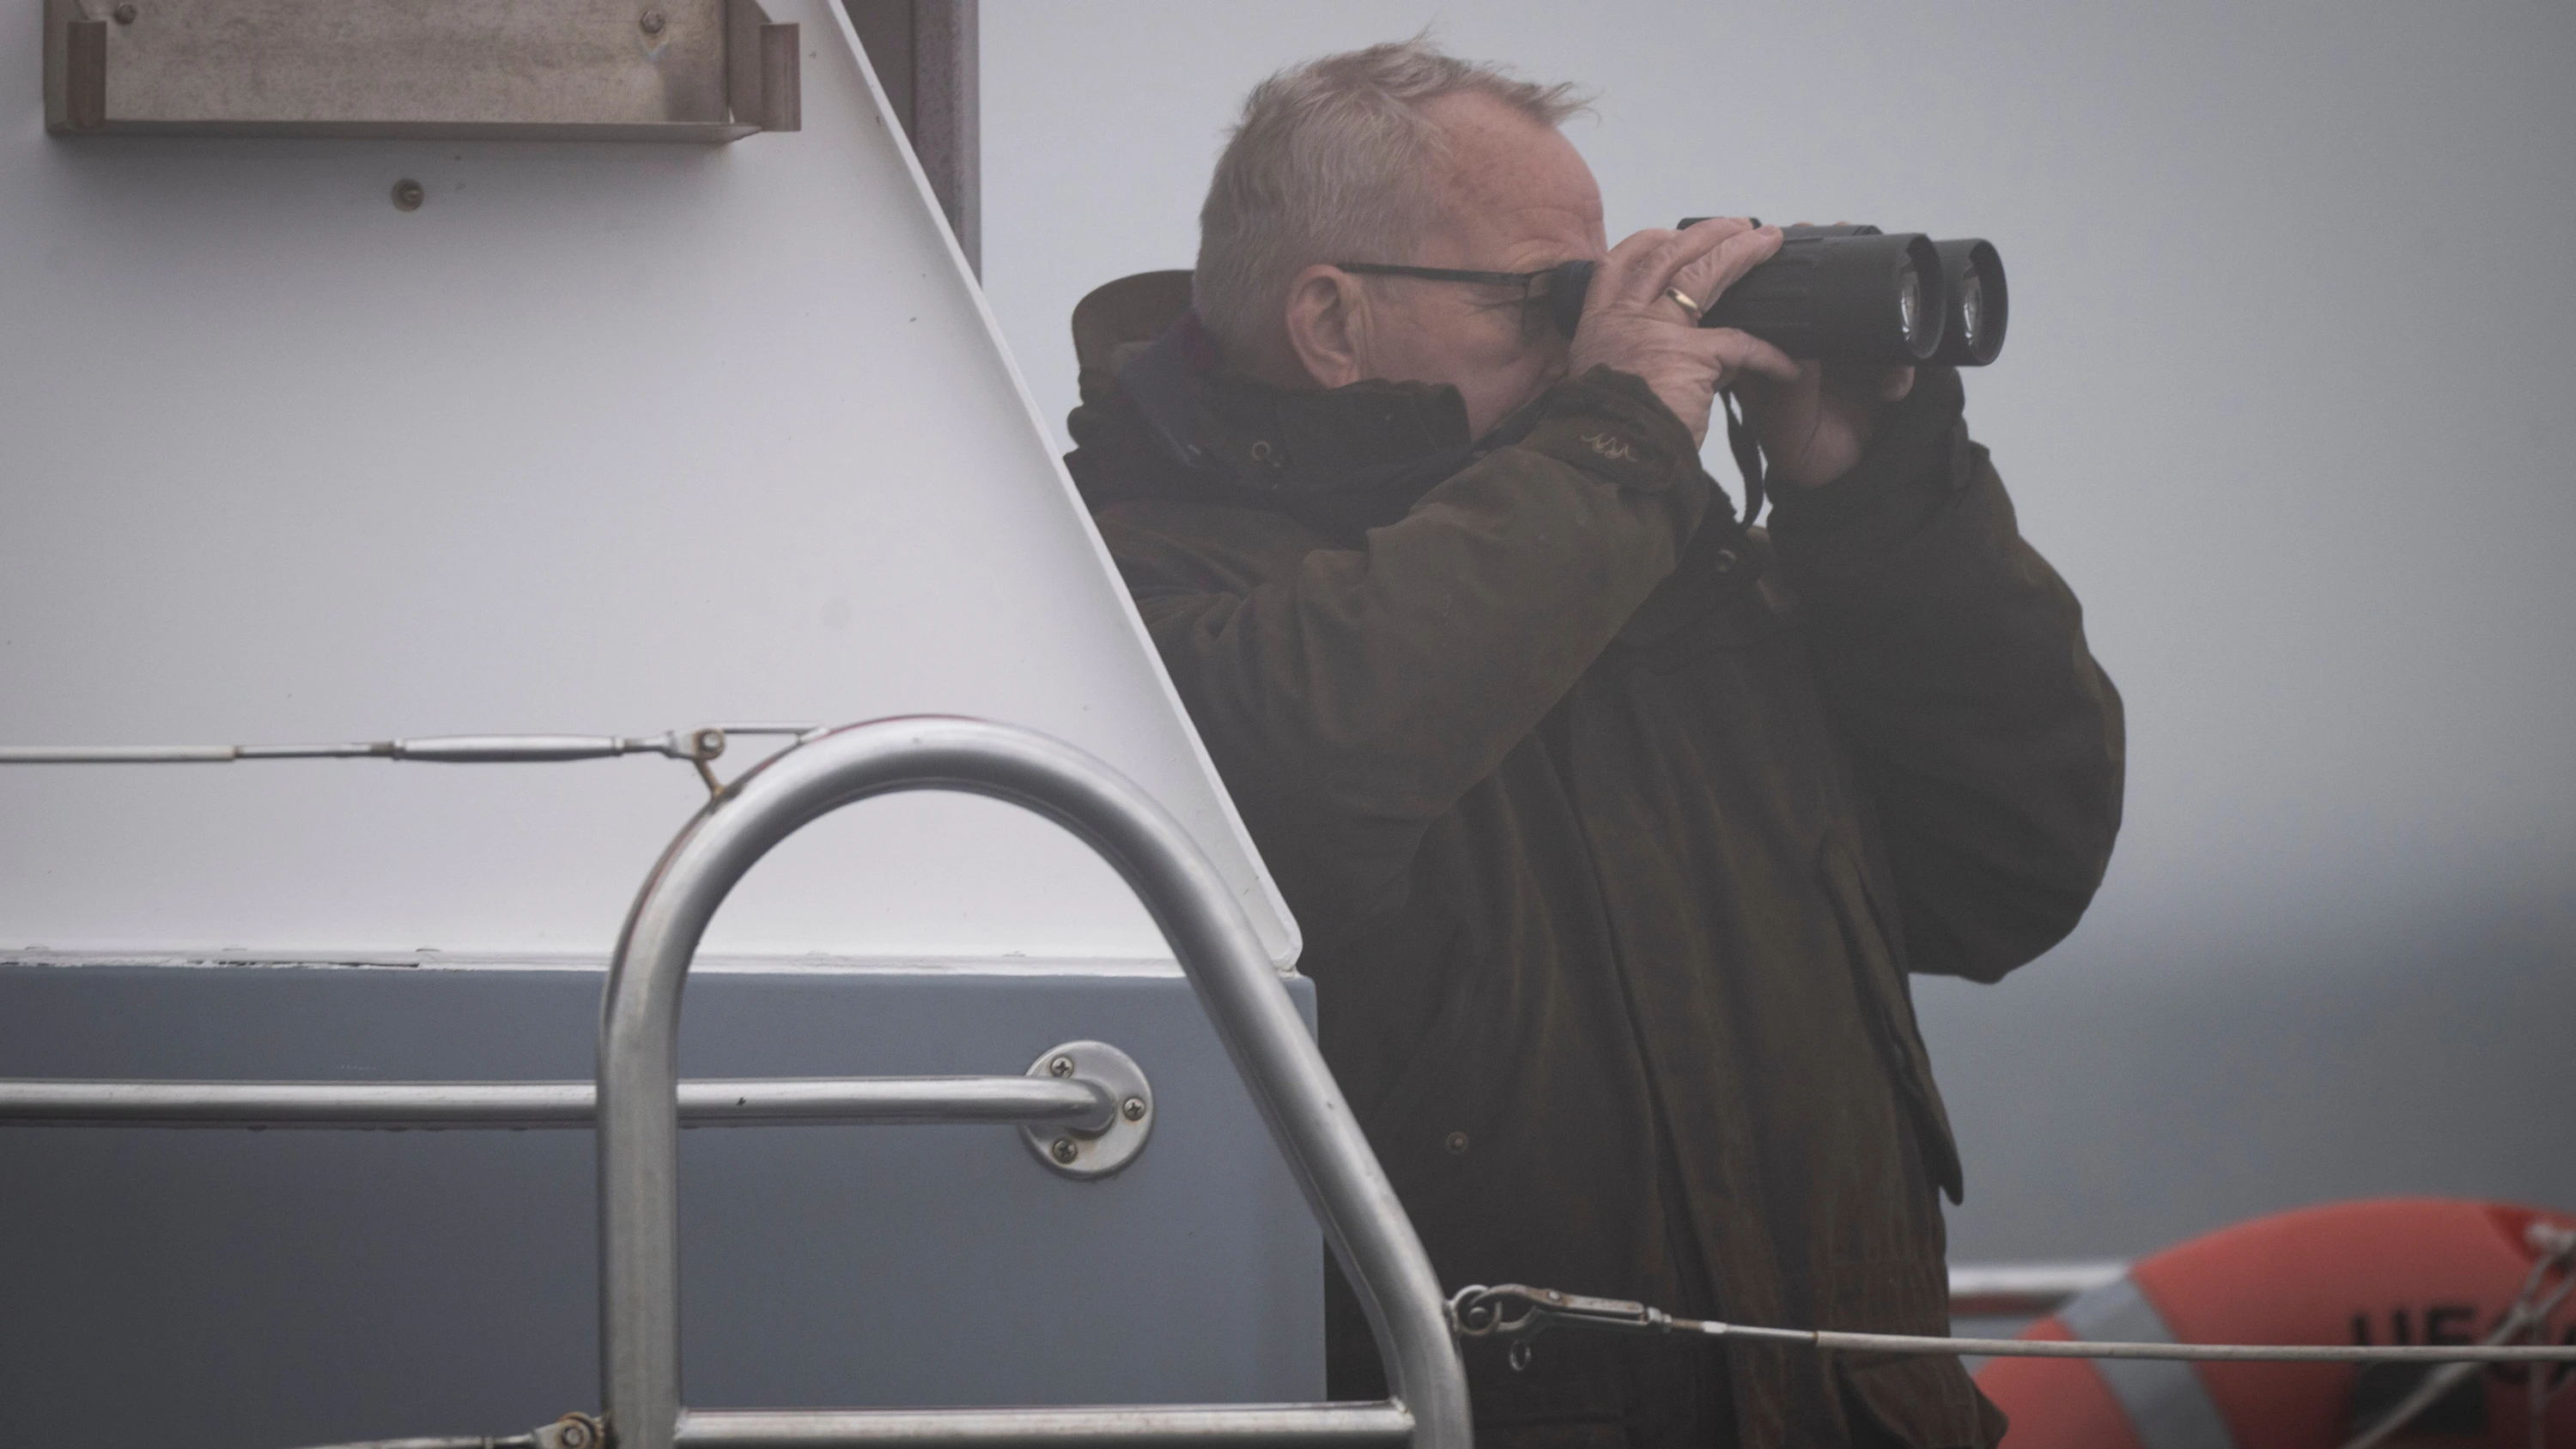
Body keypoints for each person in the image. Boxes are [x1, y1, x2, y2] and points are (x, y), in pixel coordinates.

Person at [1061, 38, 2125, 1449]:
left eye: (1597, 289)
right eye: (1542, 299)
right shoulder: (1120, 593)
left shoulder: (1678, 578)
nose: (1589, 339)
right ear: (1332, 321)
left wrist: (1872, 502)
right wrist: (1615, 438)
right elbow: (1322, 758)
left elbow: (2010, 870)